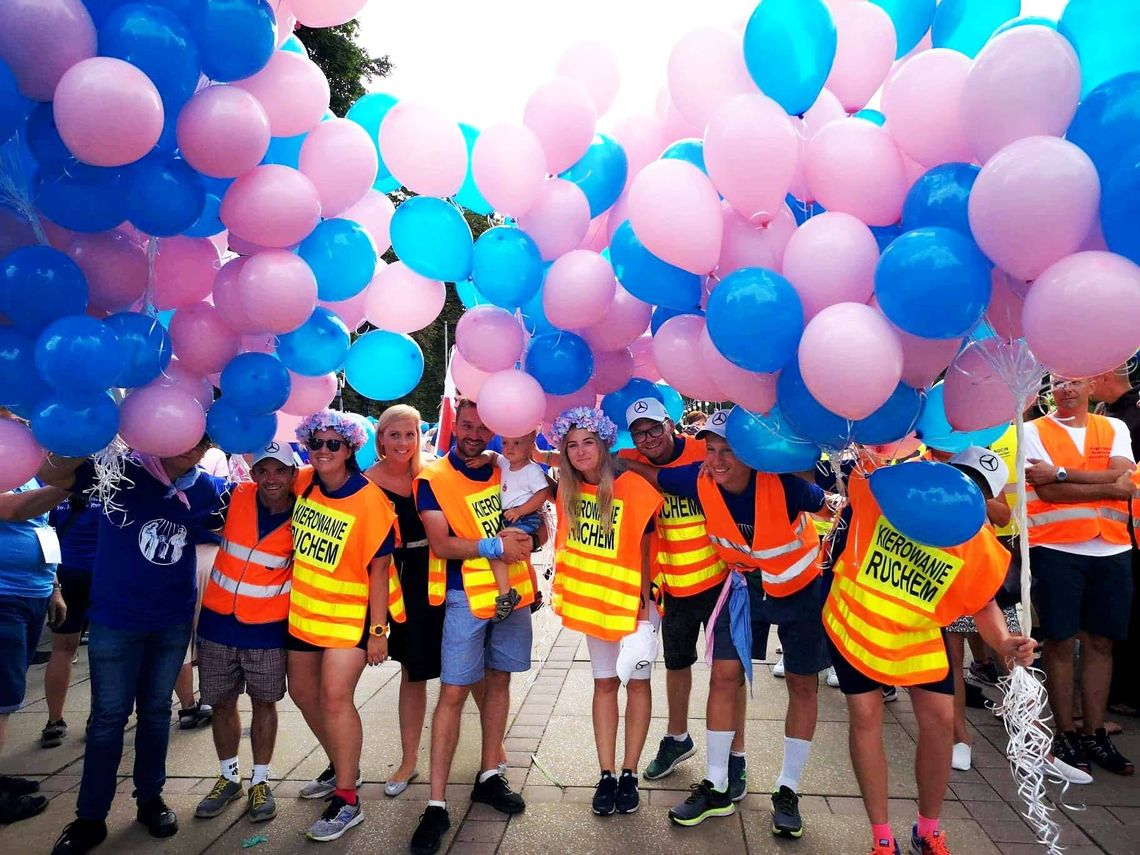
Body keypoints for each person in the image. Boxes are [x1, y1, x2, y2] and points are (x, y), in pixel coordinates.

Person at [623, 410, 835, 836]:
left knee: (801, 684)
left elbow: (829, 499)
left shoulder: (788, 488)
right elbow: (651, 474)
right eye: (713, 449)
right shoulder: (700, 480)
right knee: (722, 676)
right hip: (744, 590)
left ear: (751, 454)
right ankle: (716, 783)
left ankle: (787, 789)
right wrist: (600, 461)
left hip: (801, 592)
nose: (717, 459)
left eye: (729, 451)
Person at [823, 447, 1037, 855]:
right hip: (856, 621)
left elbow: (984, 602)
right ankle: (882, 838)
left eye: (977, 490)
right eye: (960, 479)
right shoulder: (888, 493)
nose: (962, 494)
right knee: (865, 716)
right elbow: (863, 462)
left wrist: (1004, 645)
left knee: (940, 721)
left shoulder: (980, 541)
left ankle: (928, 830)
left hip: (918, 635)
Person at [41, 434, 229, 855]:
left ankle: (150, 799)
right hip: (116, 619)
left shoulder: (205, 488)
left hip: (170, 621)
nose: (192, 447)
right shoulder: (121, 470)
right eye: (183, 434)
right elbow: (49, 472)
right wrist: (97, 426)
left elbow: (256, 507)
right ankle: (89, 817)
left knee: (157, 713)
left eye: (203, 441)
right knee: (107, 719)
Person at [409, 398, 535, 855]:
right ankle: (437, 804)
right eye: (467, 425)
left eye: (484, 427)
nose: (475, 434)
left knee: (499, 683)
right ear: (454, 426)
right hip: (467, 598)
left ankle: (488, 775)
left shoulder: (509, 468)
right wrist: (495, 546)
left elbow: (538, 517)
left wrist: (532, 537)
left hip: (512, 593)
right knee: (454, 693)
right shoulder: (433, 478)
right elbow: (441, 545)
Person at [286, 410, 400, 842]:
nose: (323, 451)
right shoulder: (305, 484)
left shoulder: (370, 499)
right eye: (316, 443)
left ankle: (348, 799)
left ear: (351, 447)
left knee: (335, 699)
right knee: (302, 694)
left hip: (350, 620)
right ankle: (340, 763)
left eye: (333, 443)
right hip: (303, 614)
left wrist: (377, 631)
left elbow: (379, 570)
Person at [549, 407, 662, 816]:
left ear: (604, 443)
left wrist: (646, 611)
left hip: (636, 608)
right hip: (595, 606)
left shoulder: (633, 487)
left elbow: (647, 549)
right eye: (572, 445)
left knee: (637, 684)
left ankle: (630, 772)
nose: (580, 452)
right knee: (604, 686)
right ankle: (607, 773)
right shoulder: (566, 490)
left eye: (588, 442)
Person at [1023, 376, 1136, 776]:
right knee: (1059, 641)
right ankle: (1066, 733)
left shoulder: (1115, 427)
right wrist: (1100, 482)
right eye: (1058, 383)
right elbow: (1053, 495)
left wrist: (1060, 474)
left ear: (1091, 385)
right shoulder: (1033, 431)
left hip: (1112, 547)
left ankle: (1094, 733)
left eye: (1074, 382)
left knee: (1101, 642)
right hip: (1057, 548)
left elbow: (1126, 483)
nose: (1066, 389)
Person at [616, 398, 730, 789]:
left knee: (728, 675)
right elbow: (583, 456)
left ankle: (734, 753)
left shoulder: (705, 450)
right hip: (672, 586)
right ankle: (678, 738)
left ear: (670, 425)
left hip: (722, 581)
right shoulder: (627, 455)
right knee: (677, 665)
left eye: (654, 429)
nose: (648, 439)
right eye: (639, 432)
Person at [192, 443, 298, 825]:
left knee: (264, 704)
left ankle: (260, 781)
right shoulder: (234, 495)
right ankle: (229, 776)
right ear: (253, 474)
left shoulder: (305, 515)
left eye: (280, 471)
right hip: (218, 623)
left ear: (292, 474)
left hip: (268, 630)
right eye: (264, 470)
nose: (271, 478)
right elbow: (190, 480)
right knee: (220, 703)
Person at [363, 404, 443, 798]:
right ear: (381, 438)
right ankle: (409, 758)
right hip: (398, 578)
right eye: (394, 435)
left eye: (409, 434)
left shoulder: (433, 471)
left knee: (467, 665)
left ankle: (492, 749)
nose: (403, 443)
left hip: (446, 573)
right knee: (413, 671)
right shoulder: (368, 482)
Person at [0, 431, 67, 824]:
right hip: (4, 597)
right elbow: (14, 510)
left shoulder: (22, 468)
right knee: (2, 698)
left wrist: (53, 588)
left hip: (31, 594)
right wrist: (68, 484)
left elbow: (41, 527)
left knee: (8, 695)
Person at [1090, 365, 1140, 720]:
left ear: (1103, 378)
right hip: (1117, 534)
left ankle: (1125, 691)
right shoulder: (1109, 413)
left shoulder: (1131, 413)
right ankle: (1120, 691)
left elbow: (1125, 476)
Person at [41, 492, 100, 749]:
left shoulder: (56, 491)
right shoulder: (111, 491)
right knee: (102, 651)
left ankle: (54, 721)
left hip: (66, 574)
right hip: (101, 575)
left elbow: (47, 533)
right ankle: (97, 718)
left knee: (62, 650)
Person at [488, 431, 551, 621]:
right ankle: (510, 592)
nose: (509, 448)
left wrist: (521, 511)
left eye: (516, 443)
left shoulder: (532, 470)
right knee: (496, 549)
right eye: (505, 443)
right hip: (511, 516)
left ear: (531, 445)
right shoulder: (505, 463)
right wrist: (483, 459)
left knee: (498, 546)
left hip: (526, 516)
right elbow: (492, 456)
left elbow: (542, 493)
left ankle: (507, 594)